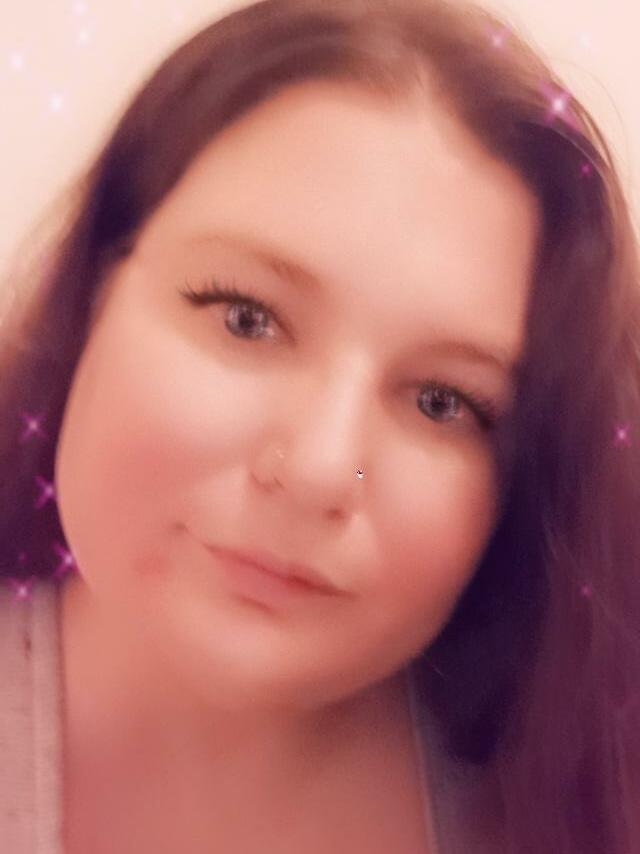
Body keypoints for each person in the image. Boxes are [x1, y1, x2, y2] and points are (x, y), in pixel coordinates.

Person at [1, 0, 638, 851]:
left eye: (441, 401)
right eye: (247, 319)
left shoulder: (576, 795)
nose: (319, 468)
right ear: (93, 294)